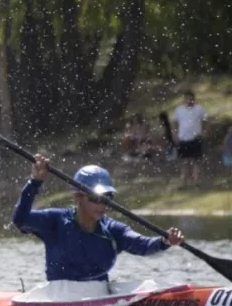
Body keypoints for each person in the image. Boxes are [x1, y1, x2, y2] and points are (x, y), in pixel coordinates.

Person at [12, 155, 185, 283]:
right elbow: (20, 219)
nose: (102, 205)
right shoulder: (55, 221)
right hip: (60, 295)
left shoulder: (113, 230)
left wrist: (165, 241)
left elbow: (143, 245)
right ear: (78, 197)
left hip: (98, 296)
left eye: (107, 198)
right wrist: (35, 182)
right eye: (96, 198)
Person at [172, 90, 207, 185]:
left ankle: (196, 181)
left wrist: (204, 132)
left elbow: (205, 121)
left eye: (191, 99)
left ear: (194, 99)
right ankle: (183, 182)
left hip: (196, 138)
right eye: (187, 98)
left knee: (197, 161)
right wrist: (175, 135)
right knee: (184, 162)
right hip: (183, 138)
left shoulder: (199, 109)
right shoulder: (179, 110)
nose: (189, 100)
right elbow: (175, 123)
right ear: (184, 99)